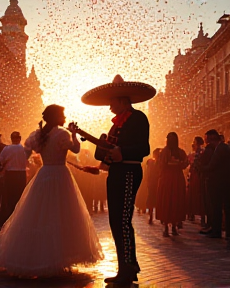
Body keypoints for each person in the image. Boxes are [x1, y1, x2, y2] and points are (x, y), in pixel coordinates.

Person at [0, 104, 103, 277]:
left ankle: (36, 258)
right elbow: (76, 149)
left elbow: (29, 151)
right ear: (56, 117)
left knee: (39, 214)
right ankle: (60, 258)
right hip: (60, 175)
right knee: (61, 214)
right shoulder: (62, 133)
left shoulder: (37, 134)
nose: (64, 118)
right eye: (62, 115)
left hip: (44, 175)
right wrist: (73, 133)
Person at [81, 74, 156, 285]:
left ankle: (128, 268)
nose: (109, 106)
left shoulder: (138, 118)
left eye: (112, 102)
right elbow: (102, 155)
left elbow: (144, 148)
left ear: (123, 100)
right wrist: (102, 145)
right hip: (115, 174)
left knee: (122, 221)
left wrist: (122, 152)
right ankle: (127, 266)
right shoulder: (115, 126)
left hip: (129, 172)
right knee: (116, 221)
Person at [199, 129, 230, 240]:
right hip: (224, 181)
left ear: (212, 138)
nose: (206, 142)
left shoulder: (221, 148)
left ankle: (217, 231)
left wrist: (201, 168)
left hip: (219, 182)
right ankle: (225, 231)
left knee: (216, 207)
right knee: (225, 207)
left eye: (207, 139)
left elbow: (212, 166)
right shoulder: (223, 147)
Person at [156, 132, 188, 237]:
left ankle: (173, 226)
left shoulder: (179, 152)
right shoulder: (164, 152)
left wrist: (178, 163)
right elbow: (161, 165)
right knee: (167, 201)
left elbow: (185, 163)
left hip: (175, 179)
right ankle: (166, 227)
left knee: (175, 201)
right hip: (168, 179)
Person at [0, 131, 27, 222]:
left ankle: (11, 218)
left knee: (10, 197)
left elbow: (1, 161)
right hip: (21, 174)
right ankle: (20, 217)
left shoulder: (7, 149)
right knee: (20, 196)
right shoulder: (24, 149)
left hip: (10, 175)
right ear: (20, 139)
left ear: (11, 139)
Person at [146, 148, 161, 224]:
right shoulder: (151, 162)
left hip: (155, 182)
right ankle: (152, 216)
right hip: (155, 182)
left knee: (153, 200)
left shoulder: (152, 162)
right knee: (154, 200)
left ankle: (152, 216)